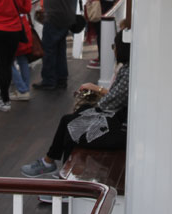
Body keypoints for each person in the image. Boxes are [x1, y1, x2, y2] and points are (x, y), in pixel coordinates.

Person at [22, 29, 131, 177]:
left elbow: (108, 103)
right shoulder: (128, 69)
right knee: (79, 116)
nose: (114, 50)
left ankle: (55, 168)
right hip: (118, 120)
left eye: (114, 46)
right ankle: (62, 170)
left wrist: (96, 89)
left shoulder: (128, 72)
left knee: (69, 124)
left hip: (120, 131)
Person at [33, 0, 79, 90]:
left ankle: (49, 80)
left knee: (49, 49)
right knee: (60, 48)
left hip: (54, 15)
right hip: (68, 14)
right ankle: (61, 78)